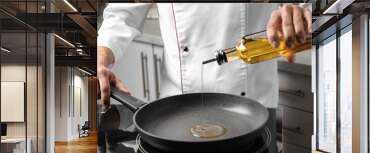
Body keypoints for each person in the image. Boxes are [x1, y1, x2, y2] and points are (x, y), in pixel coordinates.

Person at [97, 3, 311, 107]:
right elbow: (121, 15)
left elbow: (306, 6)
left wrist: (302, 14)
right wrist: (99, 61)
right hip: (177, 110)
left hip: (256, 108)